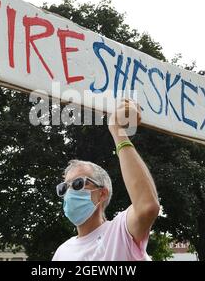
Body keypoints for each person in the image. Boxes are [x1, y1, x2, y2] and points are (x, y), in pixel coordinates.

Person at [52, 99, 160, 261]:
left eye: (78, 183)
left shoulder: (120, 232)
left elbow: (147, 207)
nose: (69, 193)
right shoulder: (62, 252)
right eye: (64, 188)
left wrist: (116, 129)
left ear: (102, 193)